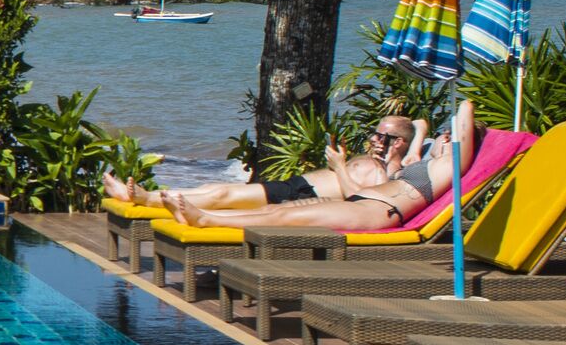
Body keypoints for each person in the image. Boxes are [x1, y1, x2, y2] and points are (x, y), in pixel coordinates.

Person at [170, 96, 480, 240]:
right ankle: (207, 216)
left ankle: (207, 220)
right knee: (274, 211)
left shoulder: (448, 167)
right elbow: (417, 129)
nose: (445, 137)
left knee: (284, 216)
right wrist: (427, 135)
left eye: (449, 136)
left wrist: (462, 126)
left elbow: (465, 112)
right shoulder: (422, 163)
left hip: (375, 211)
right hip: (363, 202)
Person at [106, 111, 418, 219]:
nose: (375, 139)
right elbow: (420, 122)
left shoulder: (388, 173)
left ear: (399, 143)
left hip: (302, 196)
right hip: (299, 185)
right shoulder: (382, 157)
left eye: (383, 136)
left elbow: (360, 201)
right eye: (375, 133)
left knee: (223, 198)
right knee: (216, 189)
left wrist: (338, 166)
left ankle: (145, 198)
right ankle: (150, 196)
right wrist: (410, 138)